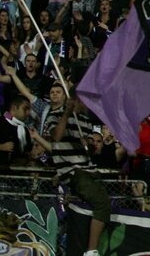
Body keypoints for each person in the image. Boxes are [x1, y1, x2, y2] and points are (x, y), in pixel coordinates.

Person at [50, 95, 109, 256]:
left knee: (99, 204)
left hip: (89, 169)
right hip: (73, 171)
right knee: (102, 203)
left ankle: (83, 246)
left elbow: (92, 152)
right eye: (84, 100)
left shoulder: (85, 120)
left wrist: (89, 145)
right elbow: (56, 136)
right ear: (75, 100)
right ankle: (91, 250)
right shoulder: (55, 115)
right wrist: (67, 113)